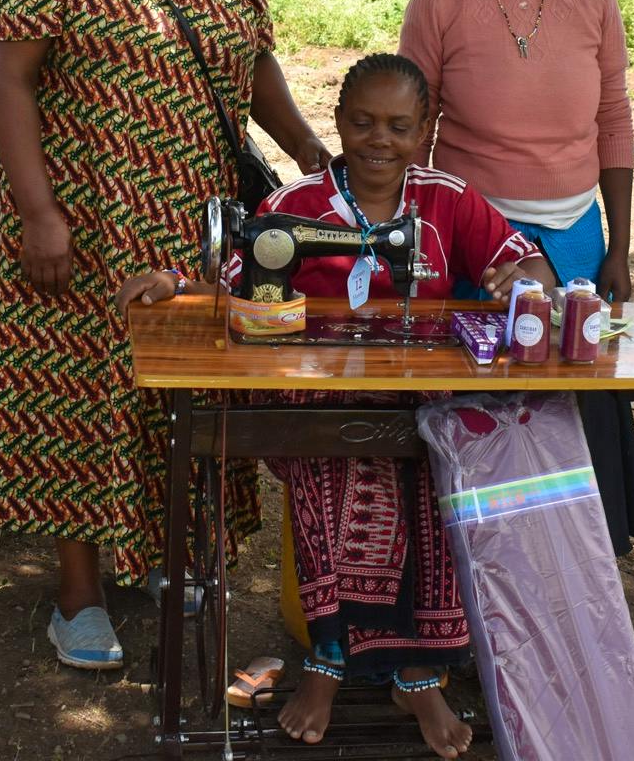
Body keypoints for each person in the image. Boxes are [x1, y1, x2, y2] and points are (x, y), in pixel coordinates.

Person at [0, 0, 331, 670]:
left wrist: (309, 151)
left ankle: (170, 558)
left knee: (188, 395)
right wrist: (38, 213)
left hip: (194, 220)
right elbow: (9, 83)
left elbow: (253, 65)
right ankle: (78, 594)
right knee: (78, 396)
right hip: (80, 214)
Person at [120, 53, 553, 760]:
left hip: (415, 390)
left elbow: (526, 259)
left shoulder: (446, 199)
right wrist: (171, 280)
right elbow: (228, 274)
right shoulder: (298, 204)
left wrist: (520, 277)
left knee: (440, 466)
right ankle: (330, 659)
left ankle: (414, 674)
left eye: (399, 126)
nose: (379, 139)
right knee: (339, 457)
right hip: (310, 388)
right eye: (362, 122)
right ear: (339, 121)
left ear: (425, 129)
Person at [397, 0, 634, 558]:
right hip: (476, 236)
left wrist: (618, 247)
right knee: (486, 396)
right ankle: (483, 556)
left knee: (575, 386)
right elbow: (414, 128)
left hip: (578, 233)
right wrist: (415, 240)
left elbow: (613, 121)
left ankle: (577, 555)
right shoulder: (440, 0)